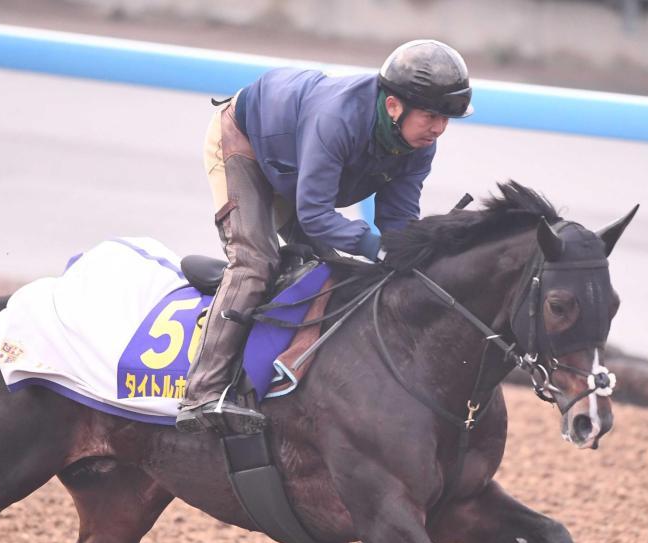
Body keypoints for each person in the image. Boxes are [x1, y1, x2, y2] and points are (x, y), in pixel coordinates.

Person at [175, 39, 474, 434]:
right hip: (243, 141)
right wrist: (377, 247)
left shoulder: (420, 145)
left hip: (295, 167)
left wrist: (416, 254)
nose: (439, 128)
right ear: (393, 106)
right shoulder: (337, 118)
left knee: (324, 271)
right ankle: (202, 394)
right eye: (432, 115)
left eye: (446, 118)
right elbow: (315, 216)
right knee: (255, 262)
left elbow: (397, 219)